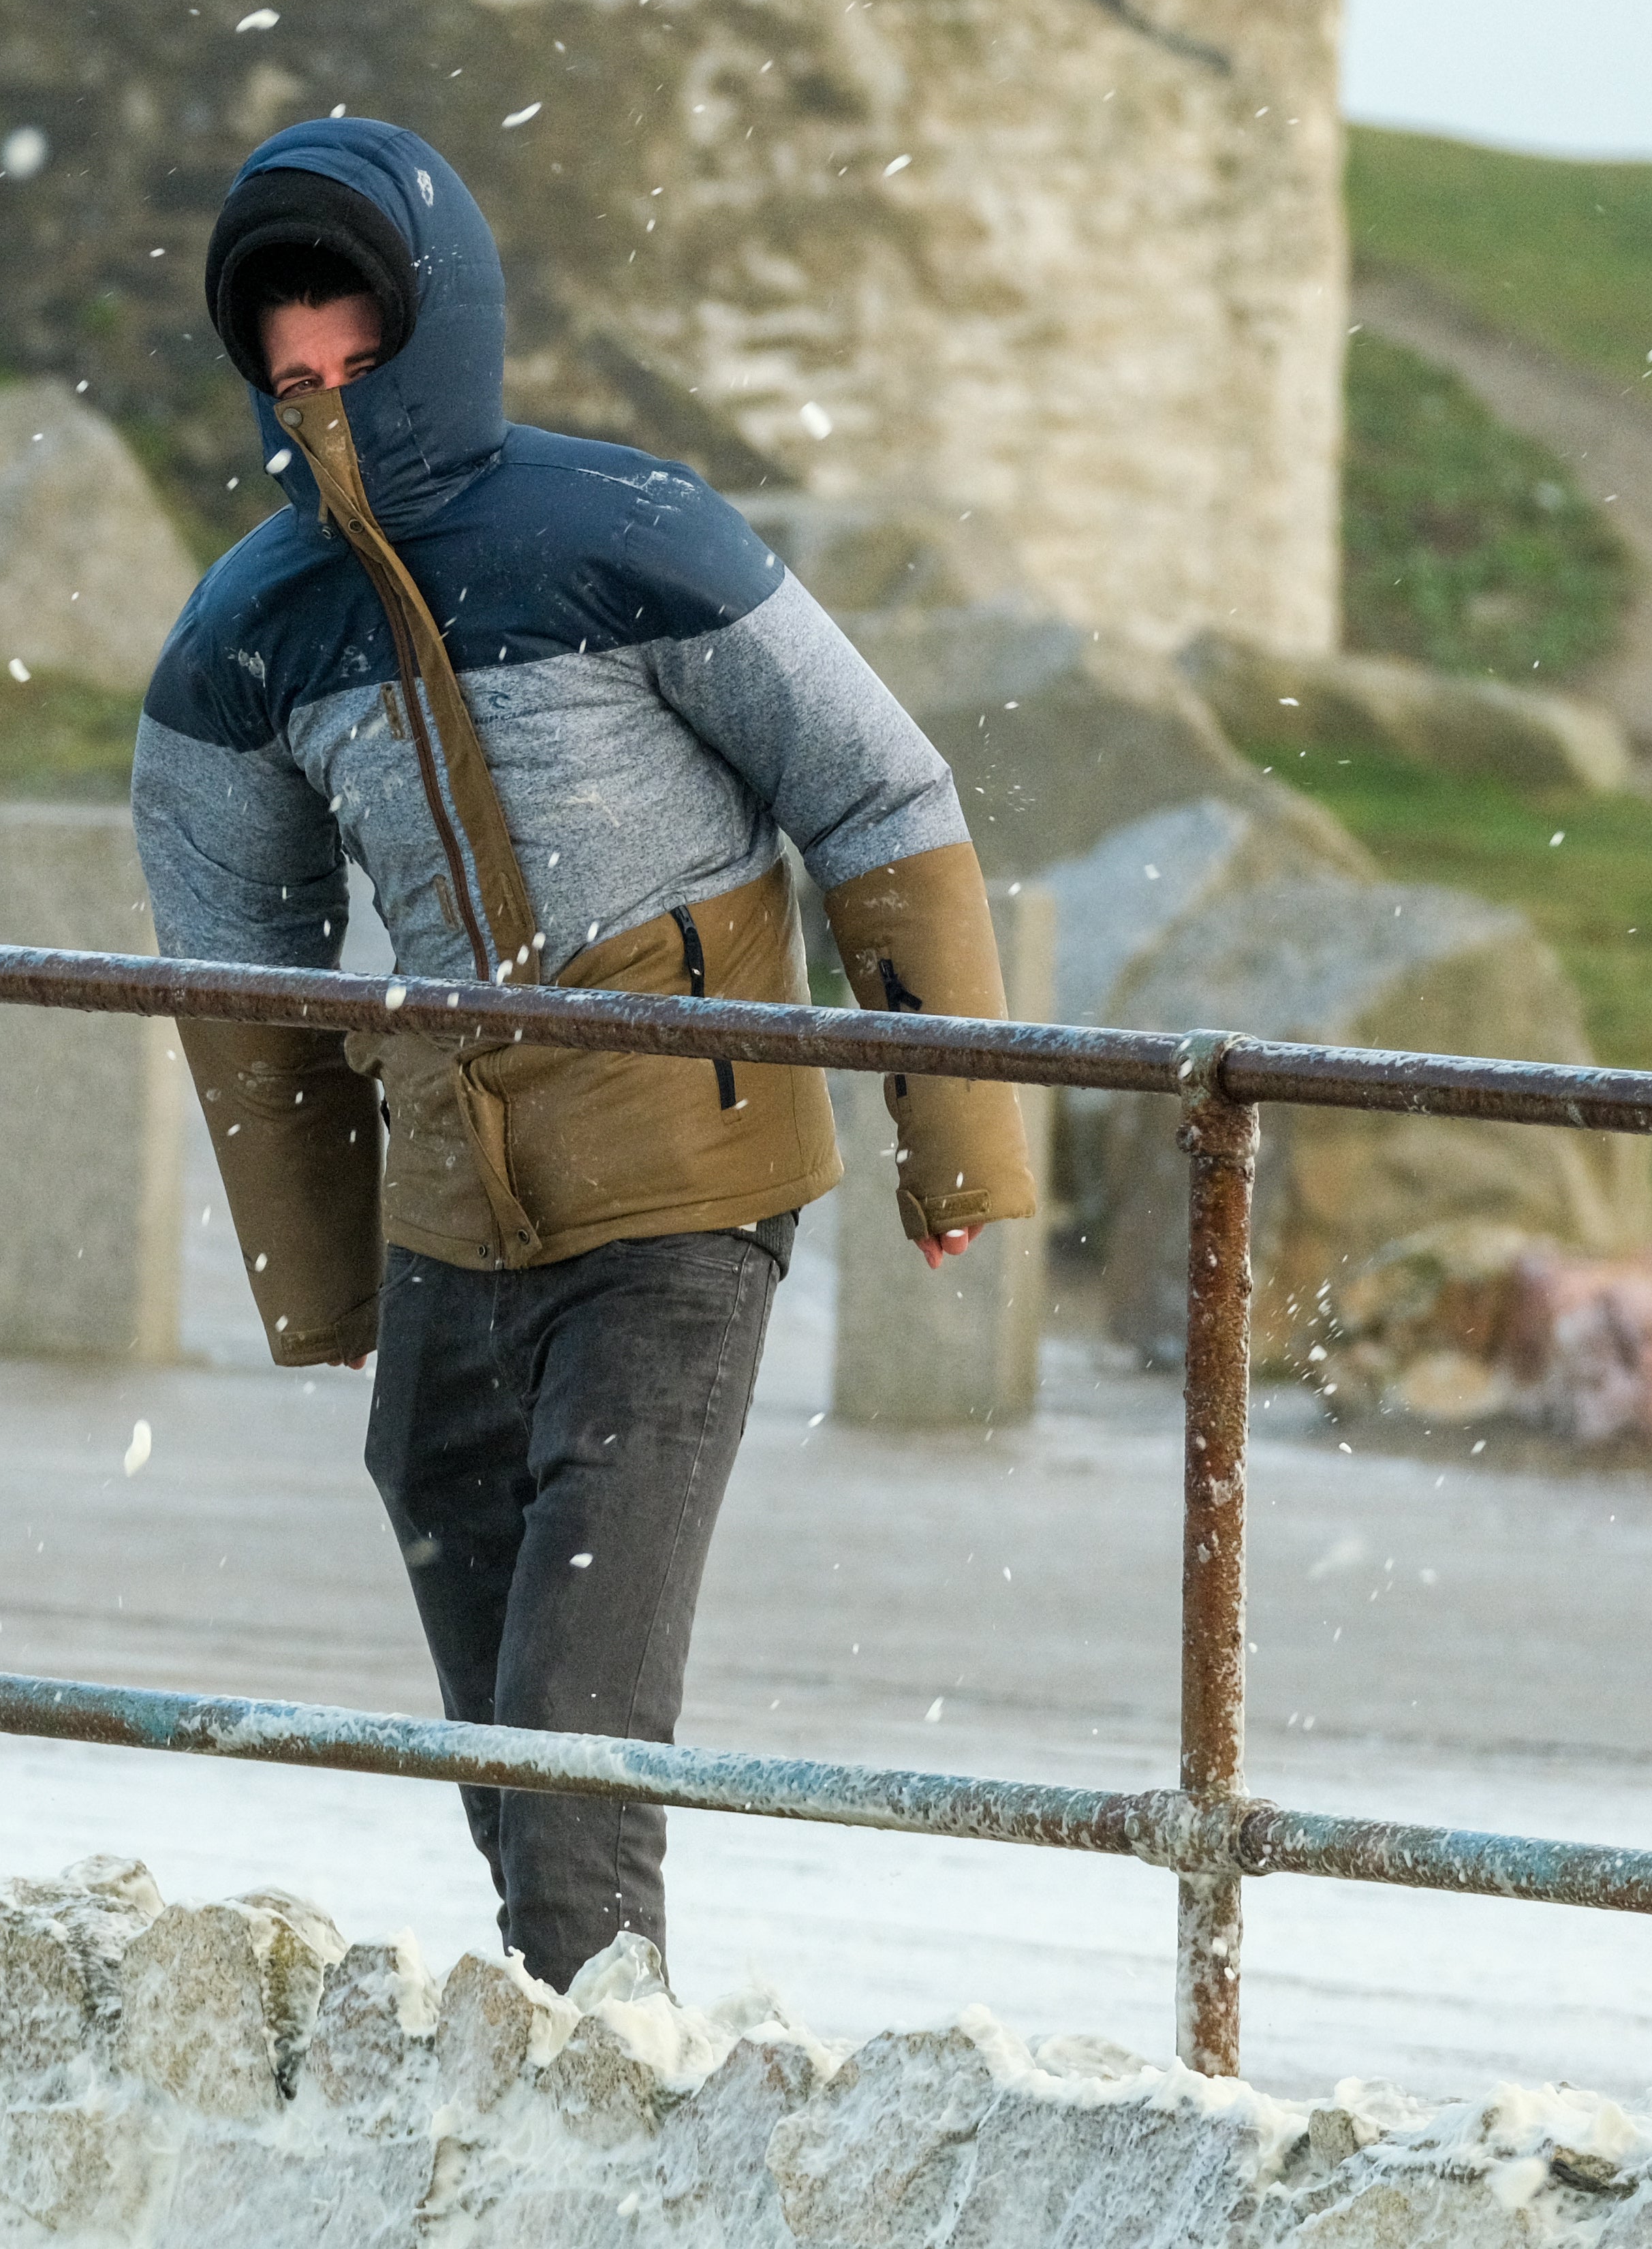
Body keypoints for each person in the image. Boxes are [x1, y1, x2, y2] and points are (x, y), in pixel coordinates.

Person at [129, 119, 1035, 1989]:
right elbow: (236, 948)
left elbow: (876, 791)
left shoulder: (629, 534)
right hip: (452, 1208)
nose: (322, 400)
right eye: (286, 370)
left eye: (356, 358)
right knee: (493, 1694)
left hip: (683, 1195)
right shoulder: (247, 633)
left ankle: (597, 2070)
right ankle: (580, 2011)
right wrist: (320, 1276)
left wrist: (952, 1141)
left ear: (433, 325)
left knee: (569, 1697)